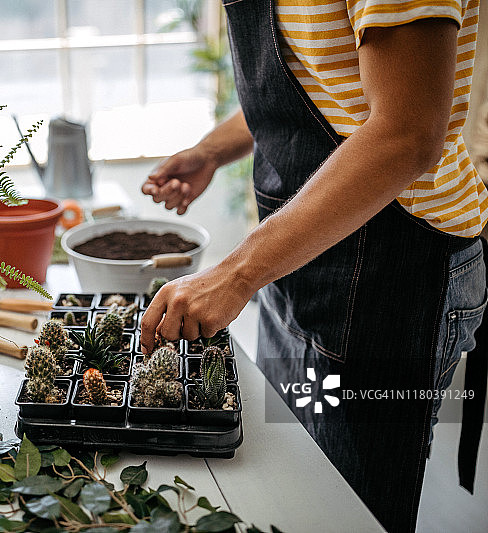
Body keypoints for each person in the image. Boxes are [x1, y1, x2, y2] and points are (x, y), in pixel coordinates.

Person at [139, 2, 487, 532]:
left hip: (390, 275)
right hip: (297, 264)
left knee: (343, 516)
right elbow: (318, 84)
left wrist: (235, 274)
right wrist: (211, 151)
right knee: (292, 488)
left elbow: (407, 132)